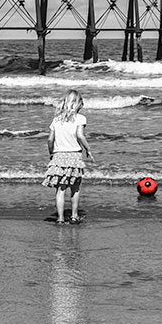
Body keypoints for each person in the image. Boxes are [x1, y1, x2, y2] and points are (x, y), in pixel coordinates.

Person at [42, 89, 94, 224]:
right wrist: (88, 149)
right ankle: (74, 216)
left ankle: (60, 218)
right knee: (75, 188)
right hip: (74, 156)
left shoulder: (56, 120)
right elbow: (80, 136)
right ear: (78, 104)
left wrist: (51, 153)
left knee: (60, 189)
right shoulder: (80, 118)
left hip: (58, 156)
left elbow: (50, 140)